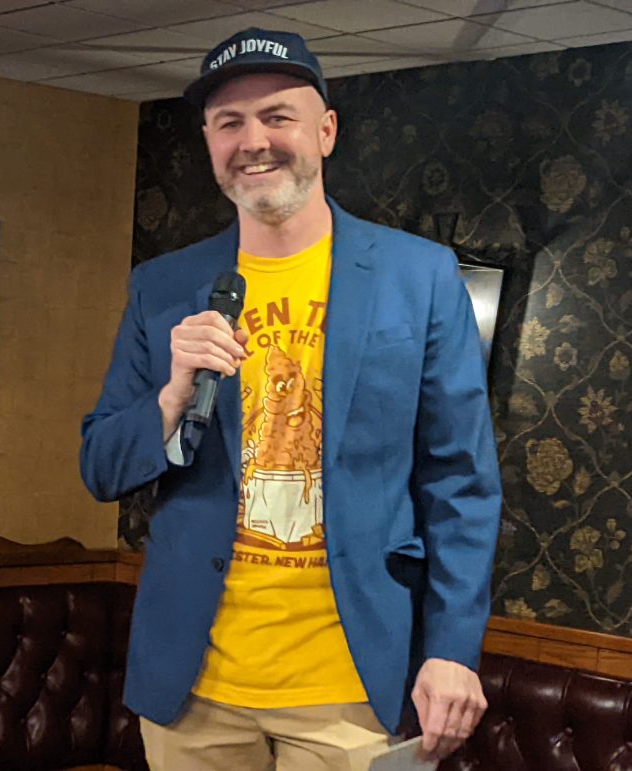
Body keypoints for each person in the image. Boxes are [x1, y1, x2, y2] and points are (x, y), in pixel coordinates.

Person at [80, 27, 501, 771]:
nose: (254, 141)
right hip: (193, 693)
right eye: (229, 123)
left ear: (325, 131)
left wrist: (452, 648)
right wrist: (171, 396)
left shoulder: (420, 276)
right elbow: (101, 466)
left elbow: (461, 481)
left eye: (277, 116)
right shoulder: (164, 287)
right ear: (209, 142)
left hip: (354, 691)